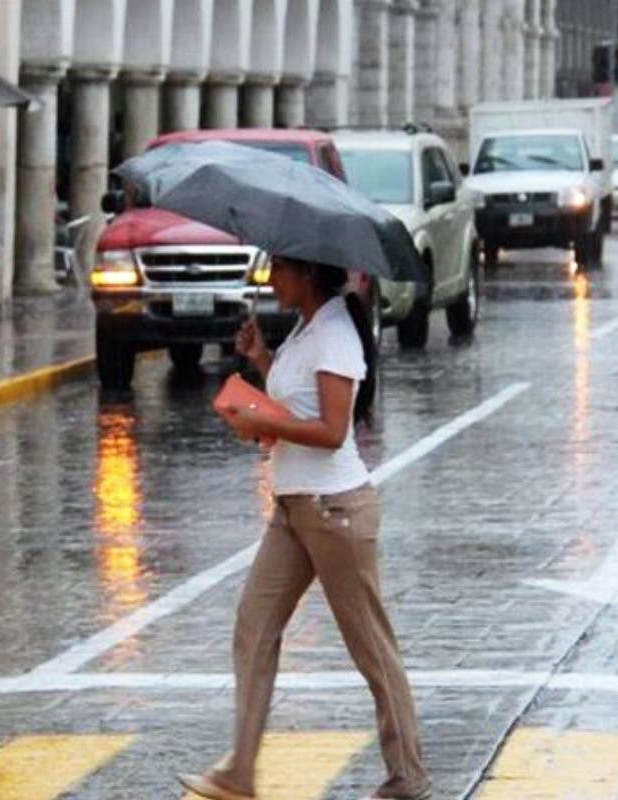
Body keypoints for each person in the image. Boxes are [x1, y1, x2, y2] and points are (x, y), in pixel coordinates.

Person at [178, 256, 431, 800]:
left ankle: (408, 775)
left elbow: (333, 430)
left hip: (335, 511)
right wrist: (262, 360)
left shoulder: (336, 334)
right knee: (253, 627)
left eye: (279, 269)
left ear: (308, 274)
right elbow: (301, 403)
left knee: (371, 647)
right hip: (294, 509)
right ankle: (240, 772)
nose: (271, 278)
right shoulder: (306, 329)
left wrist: (261, 421)